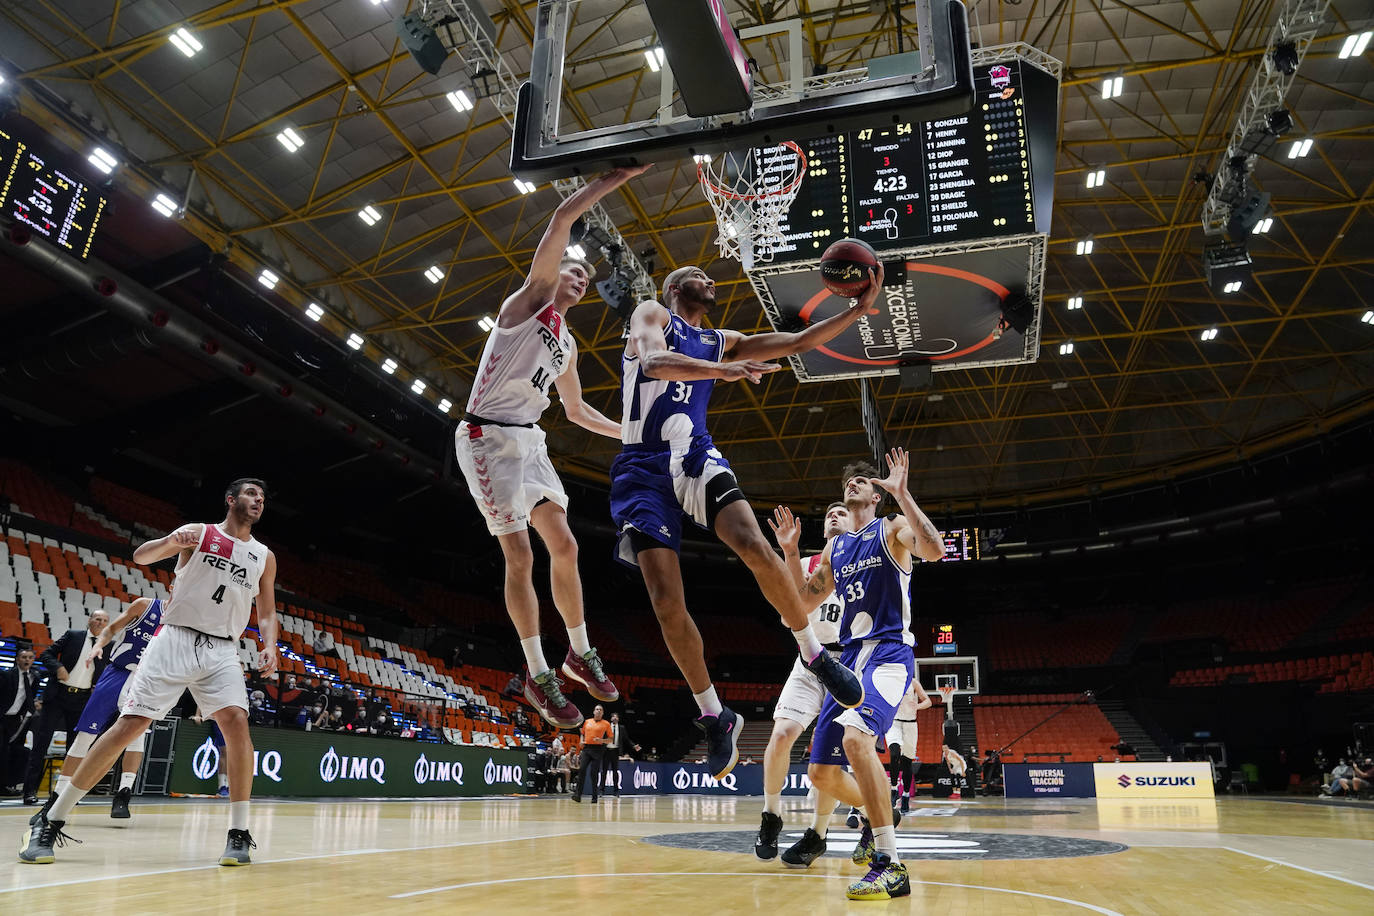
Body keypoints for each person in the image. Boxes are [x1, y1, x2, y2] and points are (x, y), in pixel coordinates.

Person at [610, 262, 885, 778]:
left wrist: (856, 310)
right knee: (667, 604)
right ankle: (714, 714)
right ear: (673, 289)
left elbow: (800, 341)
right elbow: (652, 364)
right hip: (642, 469)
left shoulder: (723, 340)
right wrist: (720, 373)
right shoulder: (653, 314)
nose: (709, 279)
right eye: (698, 273)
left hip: (694, 452)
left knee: (755, 544)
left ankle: (814, 655)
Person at [455, 167, 649, 730]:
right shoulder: (527, 305)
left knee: (565, 547)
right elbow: (565, 218)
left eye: (588, 280)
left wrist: (632, 433)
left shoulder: (565, 344)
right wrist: (618, 176)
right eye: (573, 271)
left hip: (530, 441)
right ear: (551, 274)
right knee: (521, 557)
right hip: (486, 437)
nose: (582, 279)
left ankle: (577, 653)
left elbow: (577, 412)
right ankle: (538, 672)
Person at [20, 477, 279, 867]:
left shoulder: (263, 555)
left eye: (262, 497)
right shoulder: (199, 533)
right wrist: (174, 541)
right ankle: (51, 819)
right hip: (174, 638)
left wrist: (270, 644)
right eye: (250, 494)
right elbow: (142, 557)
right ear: (230, 499)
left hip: (223, 648)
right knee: (130, 725)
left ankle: (239, 833)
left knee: (236, 722)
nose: (258, 500)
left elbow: (268, 611)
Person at [780, 449, 946, 900]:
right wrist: (792, 553)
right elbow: (801, 605)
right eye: (847, 482)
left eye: (862, 481)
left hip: (890, 654)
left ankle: (890, 864)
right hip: (848, 661)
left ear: (876, 494)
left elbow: (935, 550)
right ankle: (880, 812)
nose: (852, 484)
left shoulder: (891, 529)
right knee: (820, 773)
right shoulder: (837, 547)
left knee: (857, 742)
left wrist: (904, 495)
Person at [753, 502, 848, 861]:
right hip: (810, 658)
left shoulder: (865, 563)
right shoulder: (810, 565)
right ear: (823, 531)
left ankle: (818, 833)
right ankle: (771, 814)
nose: (834, 516)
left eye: (841, 512)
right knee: (780, 735)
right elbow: (793, 607)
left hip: (848, 664)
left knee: (829, 761)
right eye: (829, 515)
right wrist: (790, 551)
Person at [31, 594, 165, 824]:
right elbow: (111, 629)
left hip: (147, 680)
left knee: (136, 737)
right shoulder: (146, 605)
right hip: (118, 672)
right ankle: (56, 797)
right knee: (85, 735)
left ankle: (124, 793)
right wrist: (99, 646)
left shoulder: (186, 622)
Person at [22, 611, 109, 805]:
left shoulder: (107, 646)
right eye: (97, 619)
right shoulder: (73, 635)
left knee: (75, 749)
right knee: (40, 745)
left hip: (82, 700)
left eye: (104, 621)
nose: (100, 623)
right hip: (57, 696)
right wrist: (58, 667)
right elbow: (46, 654)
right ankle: (29, 792)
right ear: (90, 620)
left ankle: (65, 795)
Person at [886, 673, 933, 813]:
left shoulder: (913, 683)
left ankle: (905, 795)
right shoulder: (889, 680)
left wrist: (918, 706)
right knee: (894, 753)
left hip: (910, 725)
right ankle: (894, 790)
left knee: (906, 762)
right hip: (894, 722)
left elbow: (928, 701)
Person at [2, 646, 39, 794]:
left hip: (18, 719)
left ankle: (8, 785)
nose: (27, 660)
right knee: (2, 751)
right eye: (24, 657)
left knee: (16, 752)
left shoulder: (35, 677)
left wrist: (30, 710)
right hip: (2, 717)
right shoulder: (7, 675)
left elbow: (30, 696)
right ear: (17, 659)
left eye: (30, 657)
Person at [572, 704, 612, 803]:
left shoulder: (606, 724)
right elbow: (582, 734)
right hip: (587, 748)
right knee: (582, 770)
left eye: (600, 710)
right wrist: (581, 741)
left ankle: (594, 797)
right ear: (594, 711)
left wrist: (601, 740)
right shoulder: (587, 722)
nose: (598, 711)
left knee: (593, 773)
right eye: (597, 709)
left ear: (602, 713)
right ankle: (577, 795)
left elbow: (611, 740)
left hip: (598, 750)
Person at [601, 712, 641, 797]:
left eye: (616, 717)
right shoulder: (606, 726)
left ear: (618, 719)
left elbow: (626, 739)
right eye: (613, 717)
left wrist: (634, 745)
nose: (615, 718)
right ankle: (601, 791)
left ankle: (616, 791)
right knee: (604, 772)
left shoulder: (622, 728)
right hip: (607, 751)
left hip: (615, 751)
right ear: (611, 719)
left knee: (615, 772)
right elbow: (602, 738)